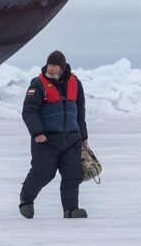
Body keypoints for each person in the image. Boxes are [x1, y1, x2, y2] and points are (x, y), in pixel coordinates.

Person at [19, 50, 89, 219]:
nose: (50, 69)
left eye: (54, 66)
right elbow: (29, 111)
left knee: (73, 175)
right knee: (43, 173)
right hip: (46, 140)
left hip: (72, 138)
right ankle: (26, 199)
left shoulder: (75, 83)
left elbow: (80, 112)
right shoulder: (37, 84)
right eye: (49, 65)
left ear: (62, 68)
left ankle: (71, 210)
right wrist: (37, 133)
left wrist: (83, 137)